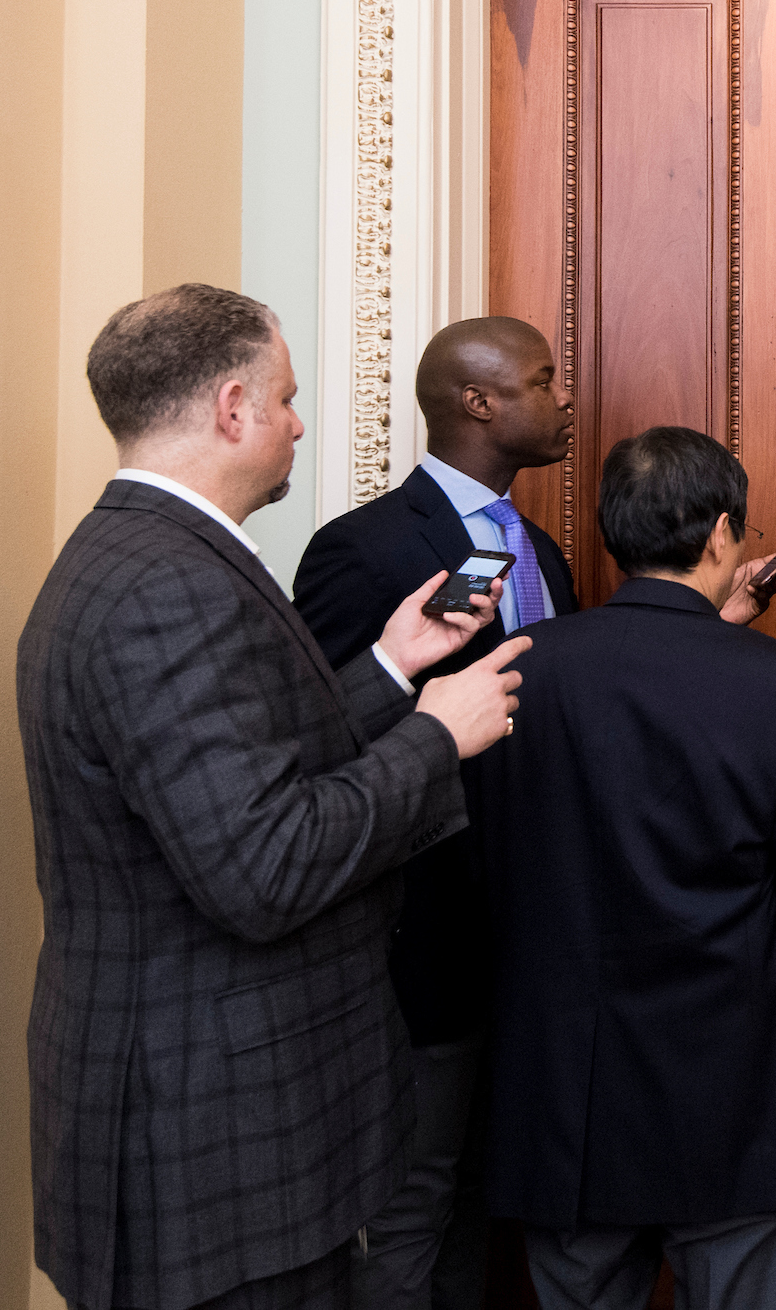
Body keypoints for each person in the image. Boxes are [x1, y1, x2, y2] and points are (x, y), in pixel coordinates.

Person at [19, 283, 528, 1310]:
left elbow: (241, 763)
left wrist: (389, 666)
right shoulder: (167, 585)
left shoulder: (147, 555)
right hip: (213, 1130)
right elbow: (264, 863)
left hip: (214, 1112)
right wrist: (437, 731)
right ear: (233, 407)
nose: (300, 424)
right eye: (289, 400)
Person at [467, 426, 776, 1310]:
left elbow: (489, 867)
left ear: (615, 532)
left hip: (569, 1100)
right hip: (739, 1097)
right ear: (723, 534)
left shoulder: (520, 674)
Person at [294, 317, 579, 1310]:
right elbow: (320, 736)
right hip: (420, 947)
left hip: (533, 941)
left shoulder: (541, 550)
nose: (566, 395)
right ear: (480, 402)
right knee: (411, 1205)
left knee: (480, 1202)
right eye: (545, 379)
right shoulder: (363, 548)